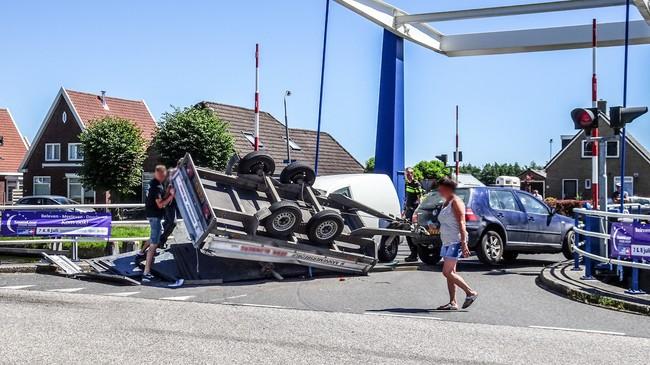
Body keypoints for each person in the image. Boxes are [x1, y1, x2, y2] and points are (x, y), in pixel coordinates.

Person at [435, 177, 478, 310]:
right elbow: (446, 222)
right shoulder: (445, 203)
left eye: (441, 188)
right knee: (451, 273)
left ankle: (470, 292)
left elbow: (461, 222)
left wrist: (464, 243)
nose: (439, 191)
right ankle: (453, 302)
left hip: (455, 241)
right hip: (446, 241)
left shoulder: (456, 202)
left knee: (446, 272)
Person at [141, 165, 175, 283]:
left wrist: (167, 193)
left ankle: (140, 252)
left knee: (154, 235)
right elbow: (161, 204)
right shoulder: (157, 187)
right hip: (155, 216)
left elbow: (160, 199)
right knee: (154, 245)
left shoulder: (154, 183)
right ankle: (146, 272)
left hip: (152, 215)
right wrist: (171, 195)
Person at [403, 167, 424, 262]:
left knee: (412, 232)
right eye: (407, 174)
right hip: (408, 210)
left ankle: (415, 253)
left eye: (411, 173)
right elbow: (408, 198)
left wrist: (417, 212)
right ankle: (413, 253)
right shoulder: (408, 184)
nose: (409, 175)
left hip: (413, 211)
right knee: (407, 232)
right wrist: (404, 210)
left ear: (413, 174)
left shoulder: (416, 184)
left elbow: (420, 199)